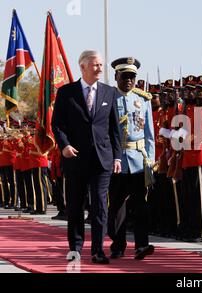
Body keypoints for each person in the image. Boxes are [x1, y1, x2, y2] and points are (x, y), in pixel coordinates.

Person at [52, 50, 122, 265]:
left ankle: (98, 250)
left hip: (102, 159)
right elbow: (57, 124)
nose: (100, 68)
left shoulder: (109, 92)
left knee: (100, 206)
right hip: (75, 158)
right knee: (75, 205)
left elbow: (115, 128)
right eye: (95, 65)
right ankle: (75, 248)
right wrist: (64, 145)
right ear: (82, 67)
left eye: (101, 65)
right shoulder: (66, 92)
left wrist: (117, 157)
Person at [107, 57, 156, 260]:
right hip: (116, 160)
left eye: (132, 77)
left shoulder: (143, 100)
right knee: (117, 205)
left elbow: (149, 134)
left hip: (138, 160)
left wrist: (151, 160)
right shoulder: (108, 98)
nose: (128, 80)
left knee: (140, 204)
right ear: (116, 76)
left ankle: (141, 245)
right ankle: (118, 245)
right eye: (124, 76)